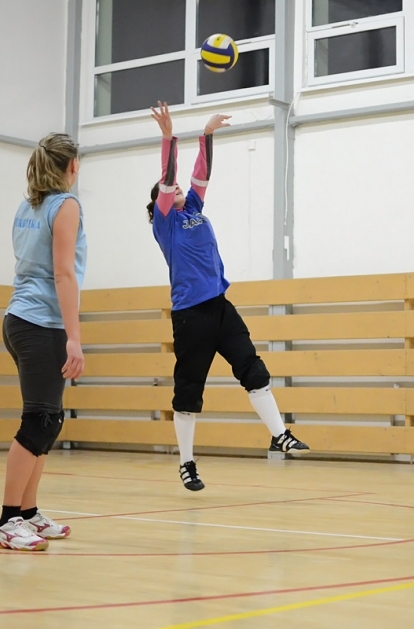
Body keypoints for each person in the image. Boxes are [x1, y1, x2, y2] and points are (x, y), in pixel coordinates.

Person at [147, 101, 310, 492]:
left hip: (220, 306)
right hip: (190, 315)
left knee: (253, 369)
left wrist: (206, 135)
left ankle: (280, 434)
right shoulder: (165, 223)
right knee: (189, 392)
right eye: (170, 189)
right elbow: (168, 177)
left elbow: (201, 175)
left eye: (180, 188)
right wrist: (168, 137)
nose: (178, 188)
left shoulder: (195, 208)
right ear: (159, 203)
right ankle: (187, 463)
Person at [0, 132, 86, 552]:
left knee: (50, 420)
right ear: (72, 166)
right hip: (41, 323)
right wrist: (74, 337)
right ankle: (7, 521)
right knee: (39, 422)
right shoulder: (66, 205)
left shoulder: (26, 206)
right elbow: (63, 274)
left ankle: (28, 512)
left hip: (20, 320)